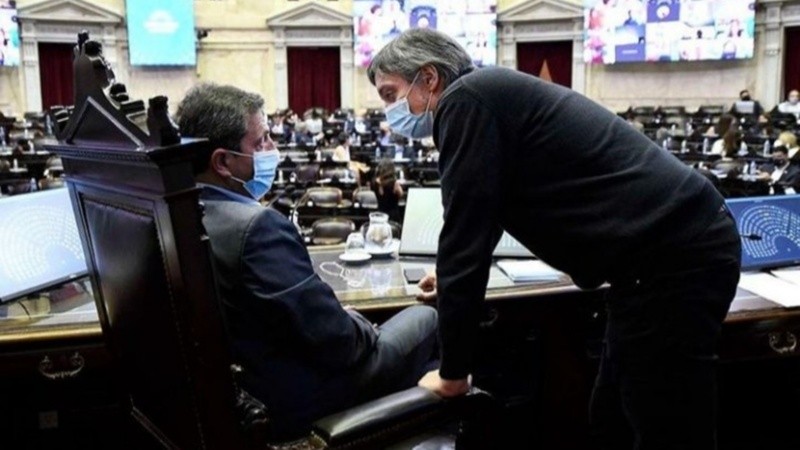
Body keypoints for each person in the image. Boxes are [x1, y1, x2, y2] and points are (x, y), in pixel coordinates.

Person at [368, 28, 741, 450]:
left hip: (675, 259)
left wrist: (453, 373)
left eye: (390, 92)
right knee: (612, 417)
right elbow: (483, 219)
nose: (390, 110)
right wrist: (450, 277)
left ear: (429, 78)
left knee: (666, 428)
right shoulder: (484, 93)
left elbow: (464, 237)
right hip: (660, 260)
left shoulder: (464, 100)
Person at [175, 83, 438, 440]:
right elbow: (341, 344)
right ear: (222, 161)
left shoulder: (180, 215)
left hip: (236, 389)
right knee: (428, 316)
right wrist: (359, 321)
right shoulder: (256, 227)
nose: (272, 149)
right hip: (296, 400)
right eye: (262, 141)